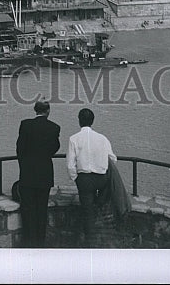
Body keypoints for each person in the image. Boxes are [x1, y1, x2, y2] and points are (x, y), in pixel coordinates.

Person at [66, 108, 117, 246]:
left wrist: (75, 178)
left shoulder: (73, 139)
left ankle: (90, 242)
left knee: (87, 210)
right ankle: (102, 233)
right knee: (99, 205)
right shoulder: (103, 138)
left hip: (85, 180)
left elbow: (70, 164)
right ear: (92, 121)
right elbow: (113, 158)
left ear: (79, 121)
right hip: (102, 179)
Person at [15, 99, 61, 246]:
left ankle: (28, 241)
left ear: (35, 110)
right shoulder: (54, 127)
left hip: (27, 173)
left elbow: (20, 149)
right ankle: (40, 242)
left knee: (27, 209)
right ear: (48, 111)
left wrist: (24, 165)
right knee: (42, 209)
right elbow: (55, 148)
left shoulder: (25, 124)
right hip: (44, 174)